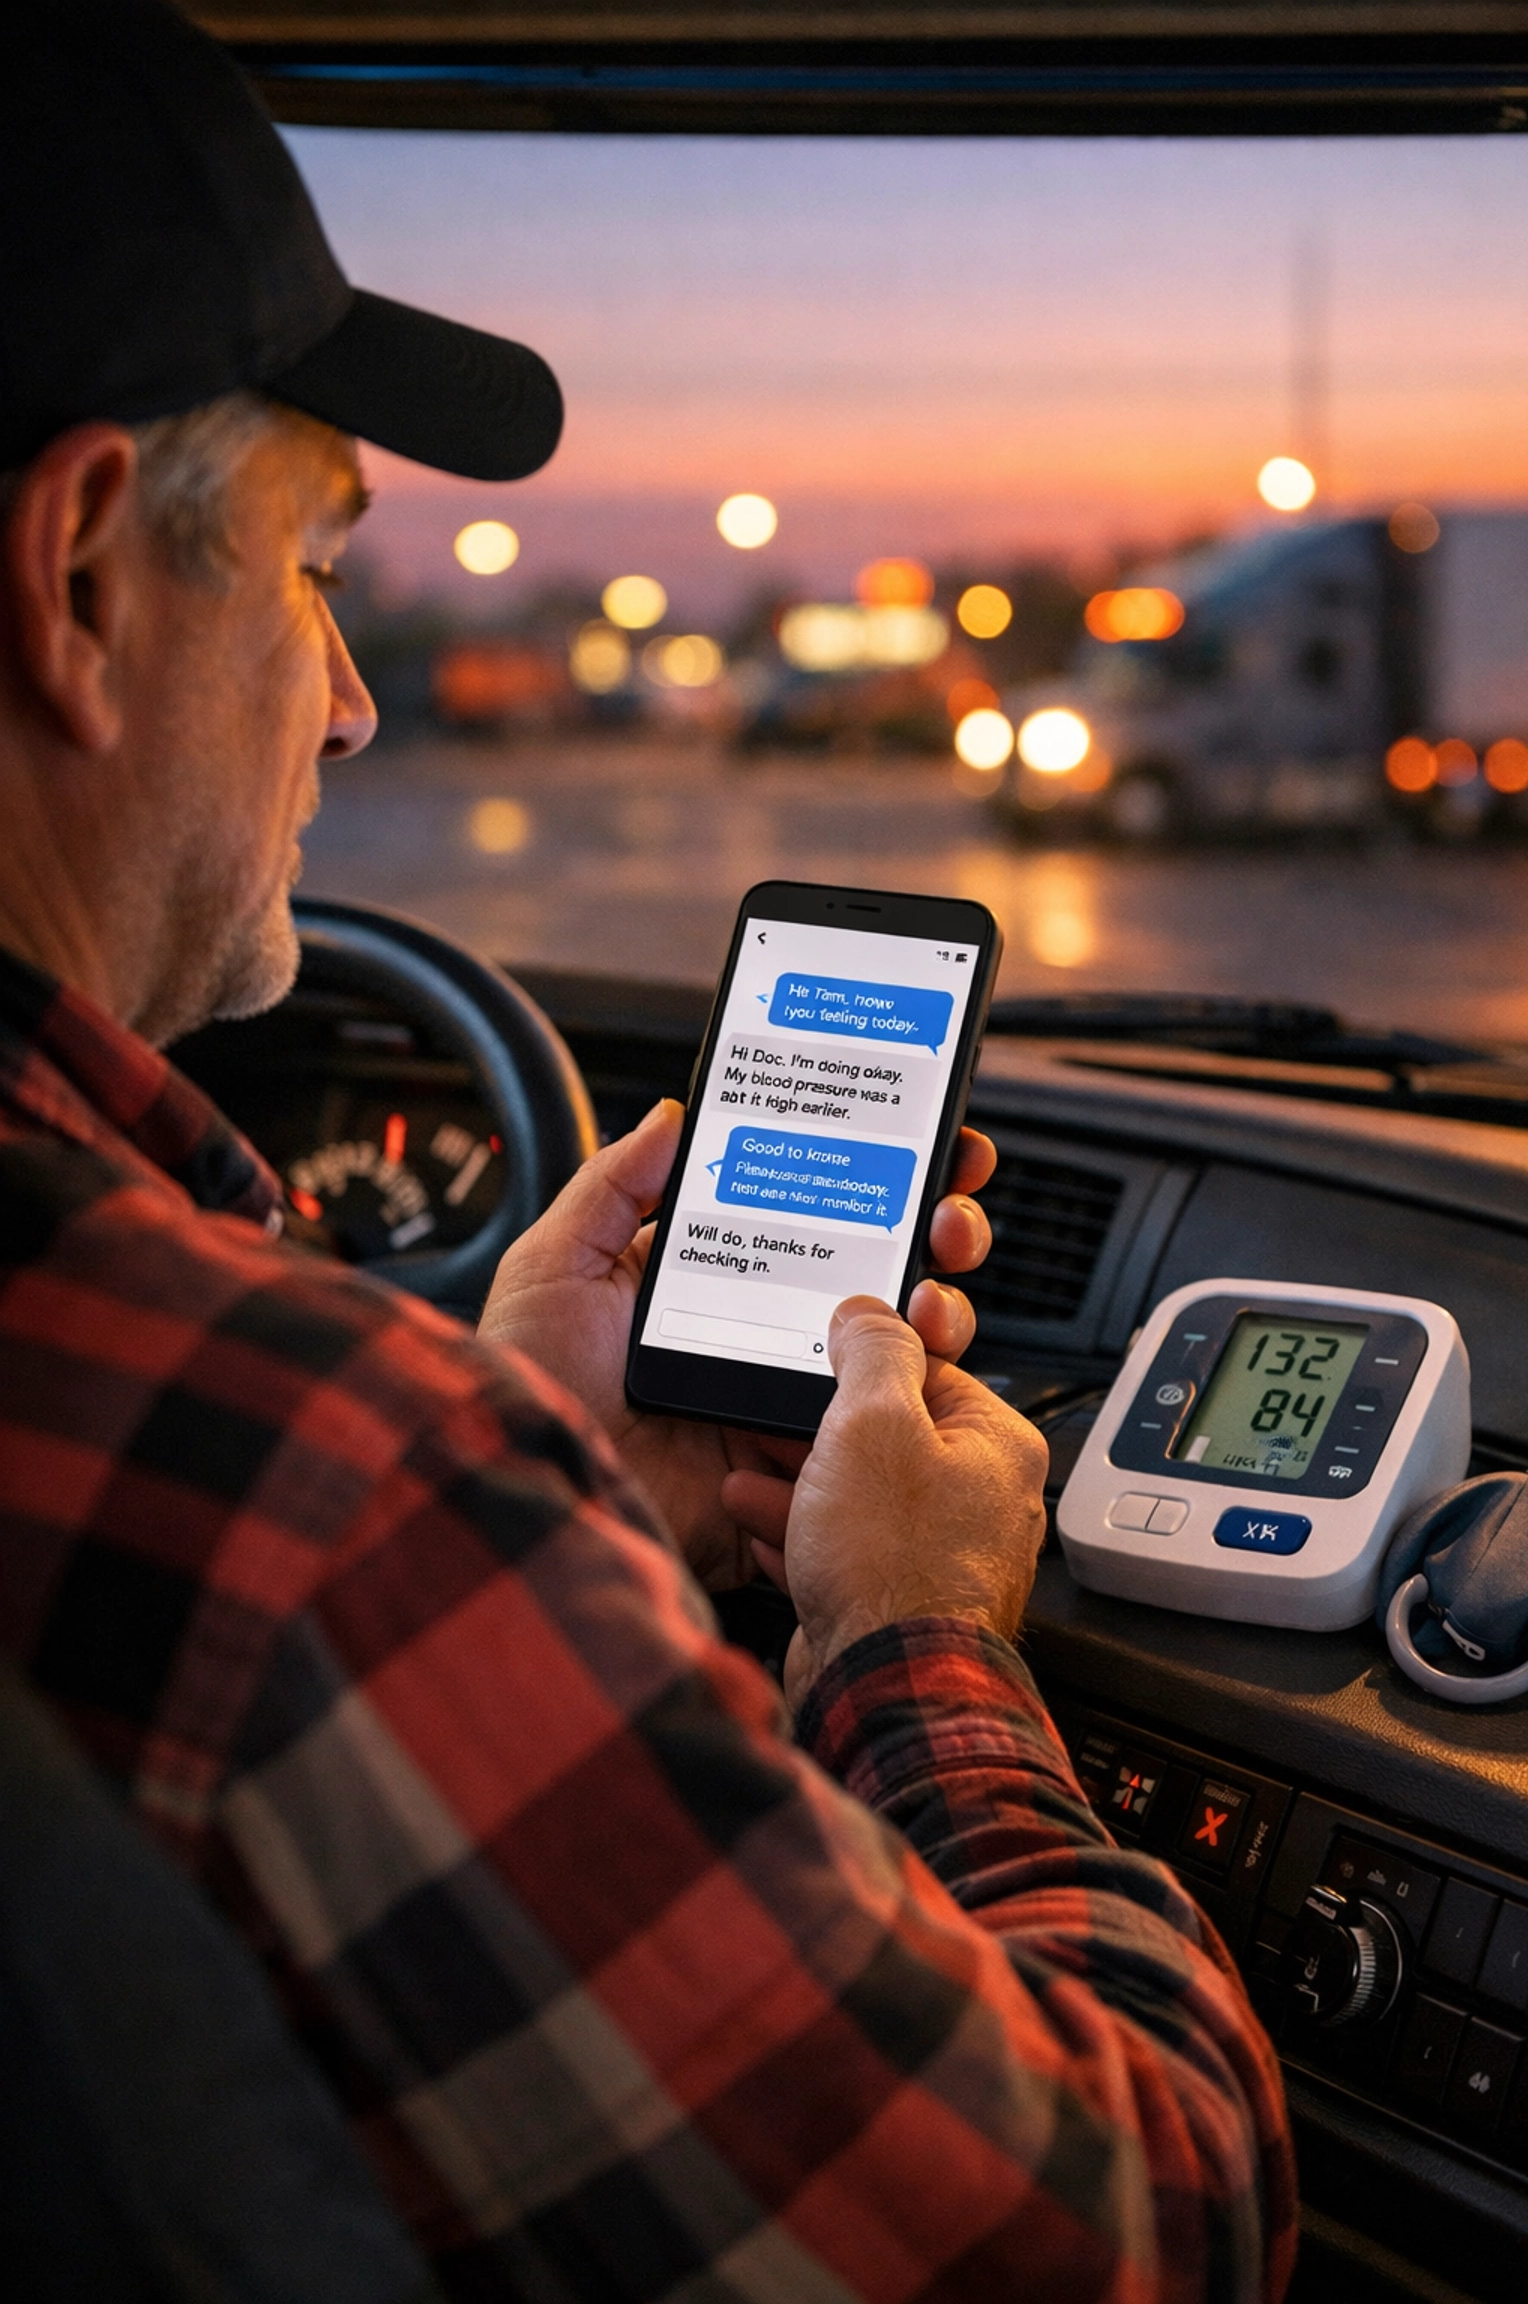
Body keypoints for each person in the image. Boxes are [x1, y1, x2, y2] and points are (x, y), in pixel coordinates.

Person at [0, 4, 1294, 2298]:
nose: (356, 690)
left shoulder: (342, 1477)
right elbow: (1129, 2232)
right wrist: (912, 1632)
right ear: (85, 575)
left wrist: (532, 1453)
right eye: (314, 569)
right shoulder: (297, 1497)